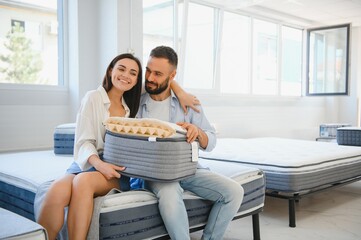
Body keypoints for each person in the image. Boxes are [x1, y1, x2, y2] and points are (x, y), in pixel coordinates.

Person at [36, 53, 199, 240]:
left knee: (82, 182)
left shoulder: (132, 105)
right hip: (89, 161)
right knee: (55, 191)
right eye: (121, 69)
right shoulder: (93, 98)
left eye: (133, 73)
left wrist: (181, 93)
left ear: (137, 80)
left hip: (115, 168)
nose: (125, 76)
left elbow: (161, 80)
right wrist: (98, 164)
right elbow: (83, 142)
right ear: (111, 70)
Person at [136, 46, 244, 240]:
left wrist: (198, 132)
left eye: (158, 74)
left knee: (234, 191)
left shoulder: (188, 103)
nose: (150, 78)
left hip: (189, 169)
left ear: (172, 75)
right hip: (156, 173)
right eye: (148, 70)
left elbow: (210, 141)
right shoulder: (137, 102)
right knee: (170, 196)